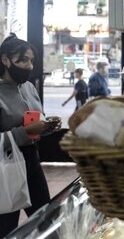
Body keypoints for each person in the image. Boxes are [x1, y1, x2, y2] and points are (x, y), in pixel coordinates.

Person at [0, 34, 62, 237]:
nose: (28, 65)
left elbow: (35, 118)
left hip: (32, 163)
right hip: (6, 167)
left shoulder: (28, 87)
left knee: (46, 220)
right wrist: (25, 132)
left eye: (31, 60)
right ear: (5, 60)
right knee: (6, 227)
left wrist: (46, 127)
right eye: (23, 60)